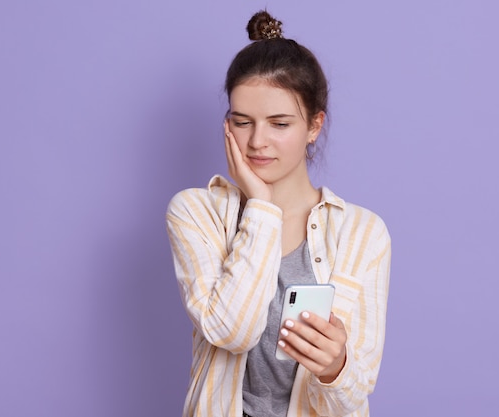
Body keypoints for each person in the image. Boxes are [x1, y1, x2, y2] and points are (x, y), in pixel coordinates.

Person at [166, 10, 391, 417]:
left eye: (280, 123)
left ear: (314, 126)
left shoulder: (363, 233)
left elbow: (356, 395)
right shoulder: (196, 212)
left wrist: (335, 368)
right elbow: (233, 331)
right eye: (242, 121)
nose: (257, 142)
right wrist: (262, 207)